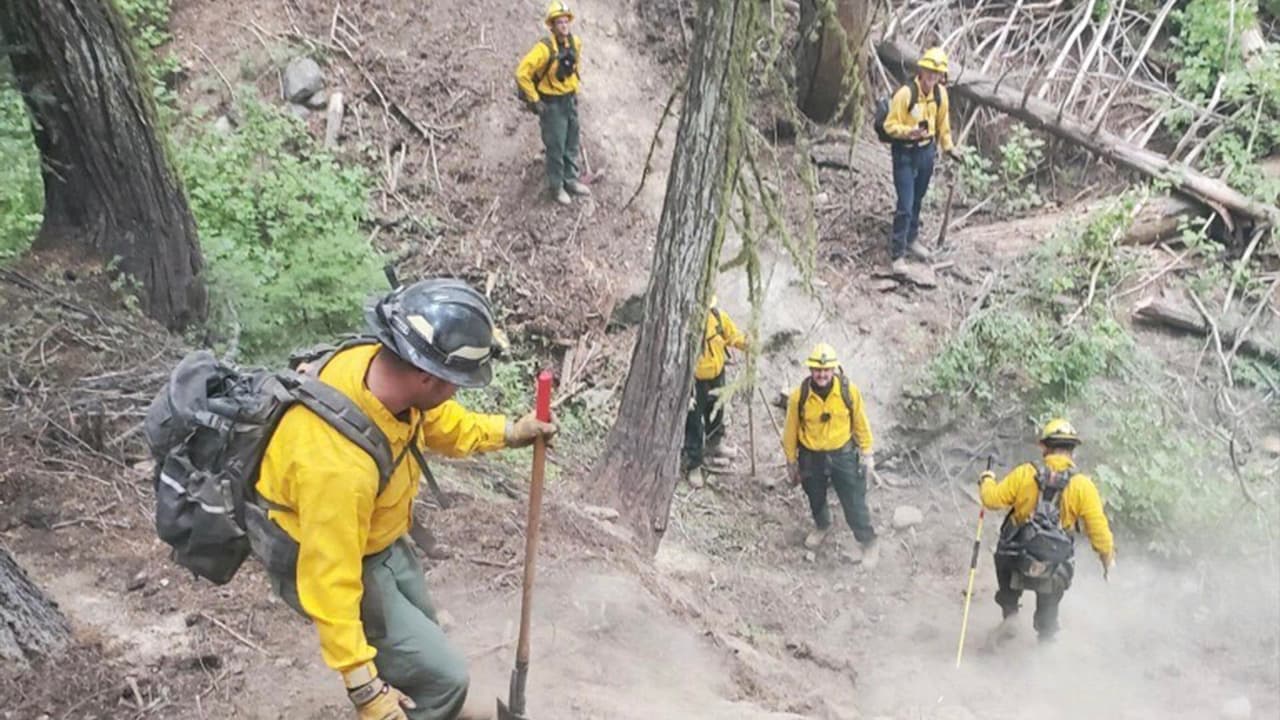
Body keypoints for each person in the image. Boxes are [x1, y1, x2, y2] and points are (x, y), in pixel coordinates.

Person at [255, 279, 558, 720]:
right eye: (456, 382)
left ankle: (410, 686)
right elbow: (329, 584)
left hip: (381, 541)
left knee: (424, 646)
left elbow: (438, 421)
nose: (457, 390)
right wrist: (365, 691)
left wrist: (509, 433)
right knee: (445, 678)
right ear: (426, 375)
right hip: (338, 560)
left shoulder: (381, 369)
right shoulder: (336, 466)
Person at [979, 418, 1116, 643]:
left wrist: (987, 479)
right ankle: (1046, 636)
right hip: (1054, 562)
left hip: (1016, 555)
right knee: (1050, 600)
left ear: (1044, 447)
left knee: (1003, 555)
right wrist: (1107, 561)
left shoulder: (1025, 473)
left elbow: (991, 499)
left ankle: (1010, 612)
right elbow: (1099, 532)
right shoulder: (1083, 486)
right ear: (1073, 450)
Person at [781, 343, 879, 567]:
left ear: (834, 369)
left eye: (826, 370)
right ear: (811, 370)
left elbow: (860, 423)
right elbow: (790, 430)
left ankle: (868, 541)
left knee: (853, 499)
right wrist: (791, 461)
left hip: (842, 454)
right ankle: (822, 524)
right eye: (817, 370)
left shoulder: (848, 391)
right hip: (811, 455)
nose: (822, 374)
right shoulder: (799, 396)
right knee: (814, 495)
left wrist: (867, 453)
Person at [881, 46, 957, 274]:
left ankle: (912, 238)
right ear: (921, 70)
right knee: (905, 203)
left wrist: (949, 148)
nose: (932, 77)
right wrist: (908, 132)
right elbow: (889, 125)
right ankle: (897, 254)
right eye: (929, 72)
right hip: (904, 152)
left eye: (937, 74)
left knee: (918, 199)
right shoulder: (906, 94)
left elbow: (943, 125)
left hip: (926, 152)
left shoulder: (940, 95)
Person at [515, 1, 589, 206]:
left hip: (569, 100)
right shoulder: (544, 49)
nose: (564, 26)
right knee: (555, 146)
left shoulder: (575, 43)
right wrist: (535, 99)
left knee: (571, 141)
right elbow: (522, 73)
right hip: (552, 105)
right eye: (559, 22)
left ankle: (571, 179)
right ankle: (556, 187)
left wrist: (575, 89)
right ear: (552, 25)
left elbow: (575, 68)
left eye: (566, 21)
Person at [683, 296, 748, 488]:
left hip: (717, 375)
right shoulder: (687, 324)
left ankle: (714, 443)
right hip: (694, 381)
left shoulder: (718, 317)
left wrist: (747, 343)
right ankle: (694, 463)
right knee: (693, 421)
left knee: (717, 411)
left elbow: (733, 336)